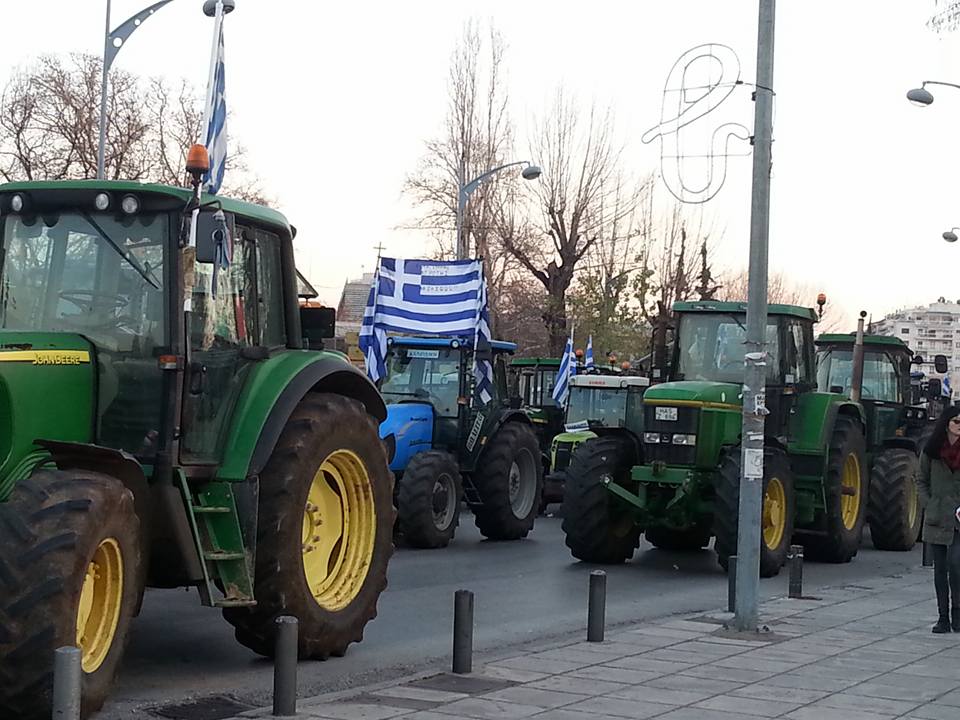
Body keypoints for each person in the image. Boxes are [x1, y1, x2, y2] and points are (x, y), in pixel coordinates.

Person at [919, 405, 960, 633]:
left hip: (958, 519)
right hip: (937, 517)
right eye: (957, 422)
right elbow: (921, 480)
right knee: (940, 569)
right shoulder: (932, 451)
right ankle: (943, 617)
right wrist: (929, 504)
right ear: (947, 424)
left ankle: (958, 614)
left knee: (956, 565)